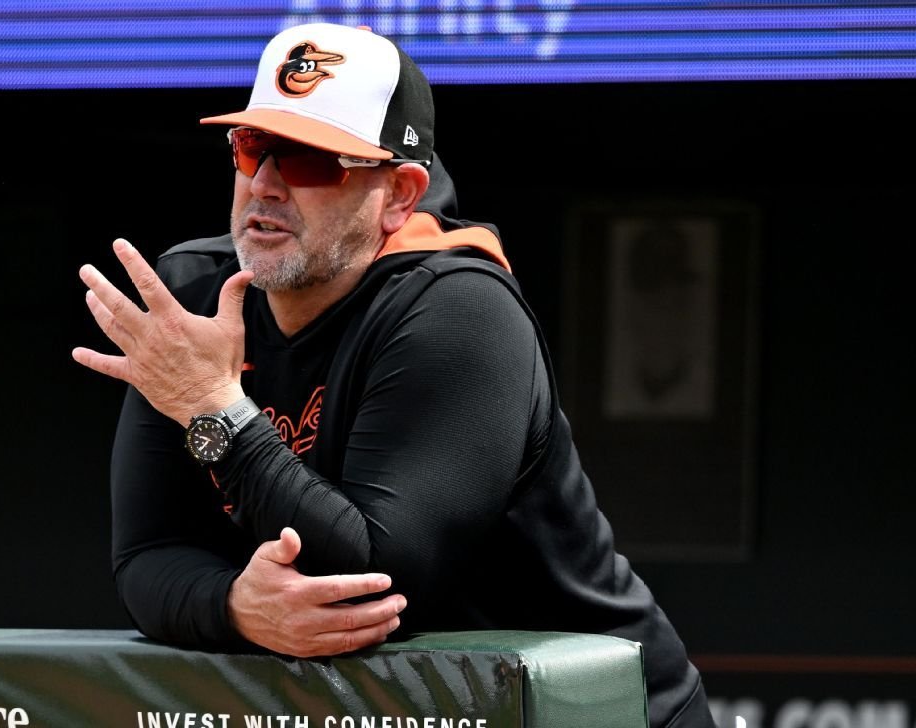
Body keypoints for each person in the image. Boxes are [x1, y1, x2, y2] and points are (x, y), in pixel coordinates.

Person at [71, 22, 716, 728]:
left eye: (311, 159)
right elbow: (146, 556)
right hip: (408, 706)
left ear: (400, 195)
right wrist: (233, 607)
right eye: (252, 147)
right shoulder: (196, 295)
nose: (266, 184)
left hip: (587, 711)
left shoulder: (458, 308)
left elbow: (375, 580)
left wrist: (213, 407)